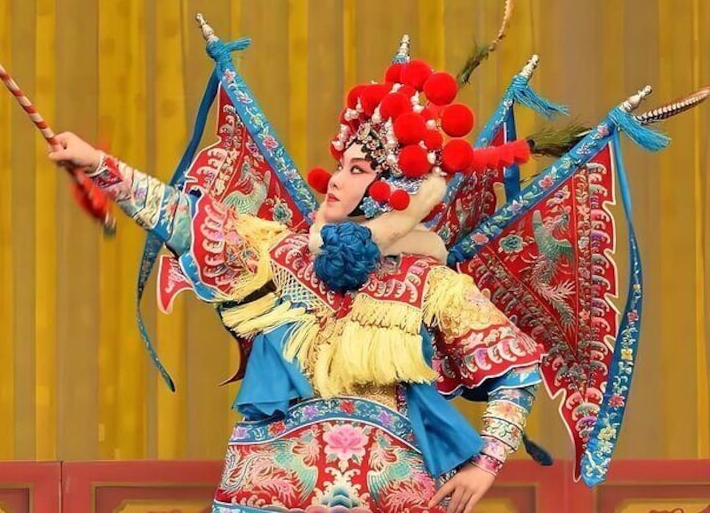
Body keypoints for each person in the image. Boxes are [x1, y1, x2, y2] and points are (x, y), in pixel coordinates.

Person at [46, 58, 544, 513]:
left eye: (357, 170)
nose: (336, 180)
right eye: (341, 166)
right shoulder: (280, 255)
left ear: (394, 188)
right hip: (273, 492)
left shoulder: (430, 284)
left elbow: (517, 366)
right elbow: (182, 219)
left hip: (388, 495)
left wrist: (487, 464)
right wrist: (97, 163)